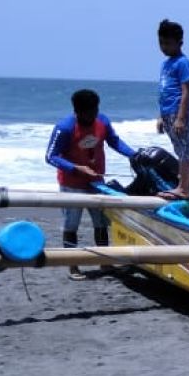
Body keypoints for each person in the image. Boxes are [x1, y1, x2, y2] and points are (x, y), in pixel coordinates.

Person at [45, 89, 136, 280]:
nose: (94, 115)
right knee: (71, 225)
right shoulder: (65, 127)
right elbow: (50, 156)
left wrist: (134, 155)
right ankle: (73, 266)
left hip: (96, 182)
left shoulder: (102, 121)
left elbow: (114, 142)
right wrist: (76, 168)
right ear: (78, 111)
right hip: (71, 184)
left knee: (101, 223)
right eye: (89, 112)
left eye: (95, 109)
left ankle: (105, 262)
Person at [156, 19, 189, 200]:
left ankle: (184, 187)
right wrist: (160, 116)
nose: (164, 47)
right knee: (179, 148)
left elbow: (186, 91)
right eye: (161, 43)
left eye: (168, 43)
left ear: (179, 43)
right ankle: (181, 185)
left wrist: (181, 117)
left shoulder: (183, 63)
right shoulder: (166, 63)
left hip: (179, 111)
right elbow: (164, 90)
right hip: (167, 112)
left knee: (185, 148)